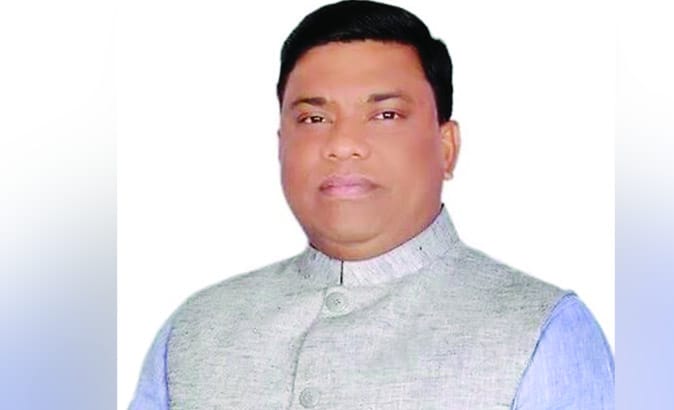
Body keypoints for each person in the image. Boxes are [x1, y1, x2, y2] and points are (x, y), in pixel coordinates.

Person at [129, 1, 614, 409]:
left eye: (385, 115)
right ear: (281, 146)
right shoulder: (196, 331)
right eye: (314, 118)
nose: (343, 144)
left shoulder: (539, 330)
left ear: (446, 147)